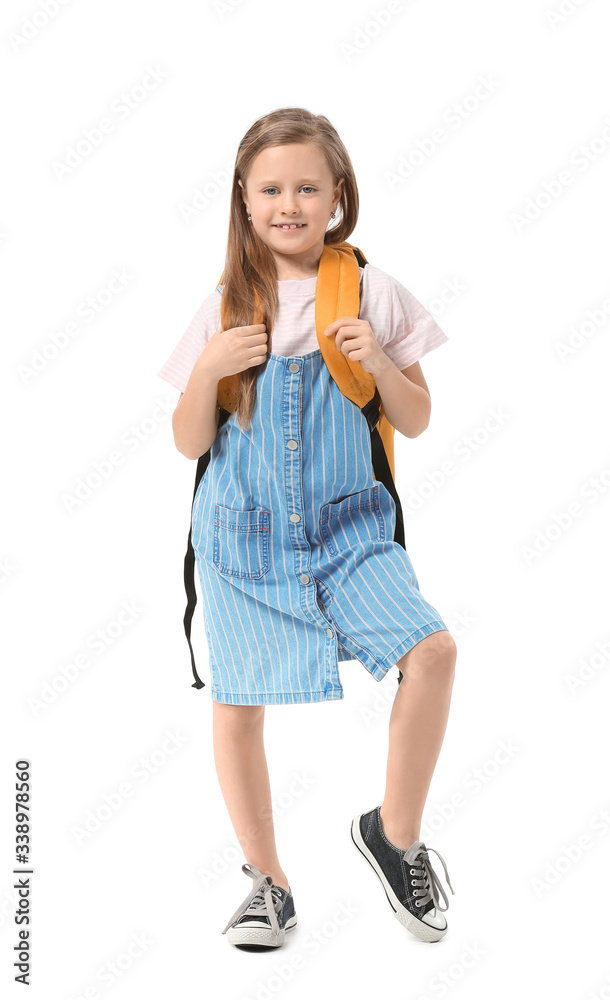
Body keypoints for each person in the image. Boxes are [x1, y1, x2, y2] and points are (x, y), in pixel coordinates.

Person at [157, 107, 457, 950]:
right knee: (239, 703)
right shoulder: (224, 304)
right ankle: (267, 883)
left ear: (337, 195)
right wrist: (208, 373)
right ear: (244, 201)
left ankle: (395, 839)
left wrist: (384, 362)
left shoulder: (370, 290)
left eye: (308, 187)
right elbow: (188, 442)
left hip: (349, 531)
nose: (290, 203)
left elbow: (419, 418)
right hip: (243, 541)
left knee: (431, 653)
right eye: (271, 188)